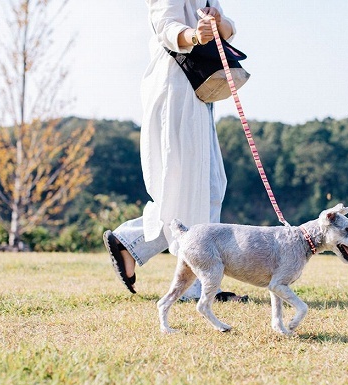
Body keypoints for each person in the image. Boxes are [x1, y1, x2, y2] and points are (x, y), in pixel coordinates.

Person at [103, 0, 246, 302]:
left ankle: (132, 242)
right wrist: (195, 36)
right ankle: (197, 286)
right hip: (175, 91)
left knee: (209, 187)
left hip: (200, 92)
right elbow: (166, 28)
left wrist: (218, 22)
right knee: (190, 188)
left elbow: (228, 29)